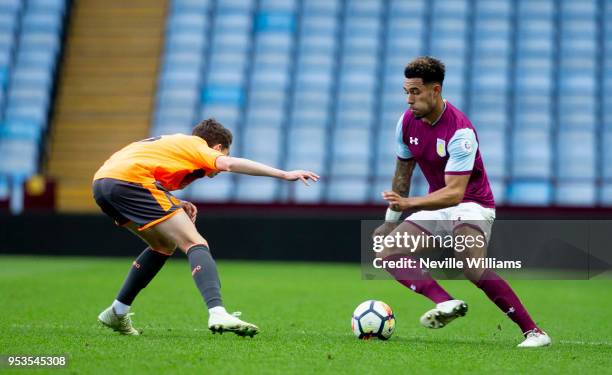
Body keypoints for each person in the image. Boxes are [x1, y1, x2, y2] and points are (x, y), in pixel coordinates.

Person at [374, 56, 551, 348]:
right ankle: (446, 302)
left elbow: (455, 193)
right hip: (437, 203)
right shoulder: (406, 123)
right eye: (406, 91)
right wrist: (389, 223)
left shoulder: (460, 131)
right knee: (387, 251)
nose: (409, 99)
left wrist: (411, 204)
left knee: (471, 265)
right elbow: (402, 177)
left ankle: (534, 332)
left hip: (472, 203)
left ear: (435, 90)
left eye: (415, 92)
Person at [93, 118, 319, 337]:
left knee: (162, 244)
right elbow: (228, 164)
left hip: (103, 184)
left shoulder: (174, 144)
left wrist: (176, 202)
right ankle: (217, 312)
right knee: (195, 243)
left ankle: (117, 311)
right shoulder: (198, 145)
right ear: (218, 147)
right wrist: (283, 174)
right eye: (224, 152)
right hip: (130, 181)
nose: (219, 165)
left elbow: (146, 171)